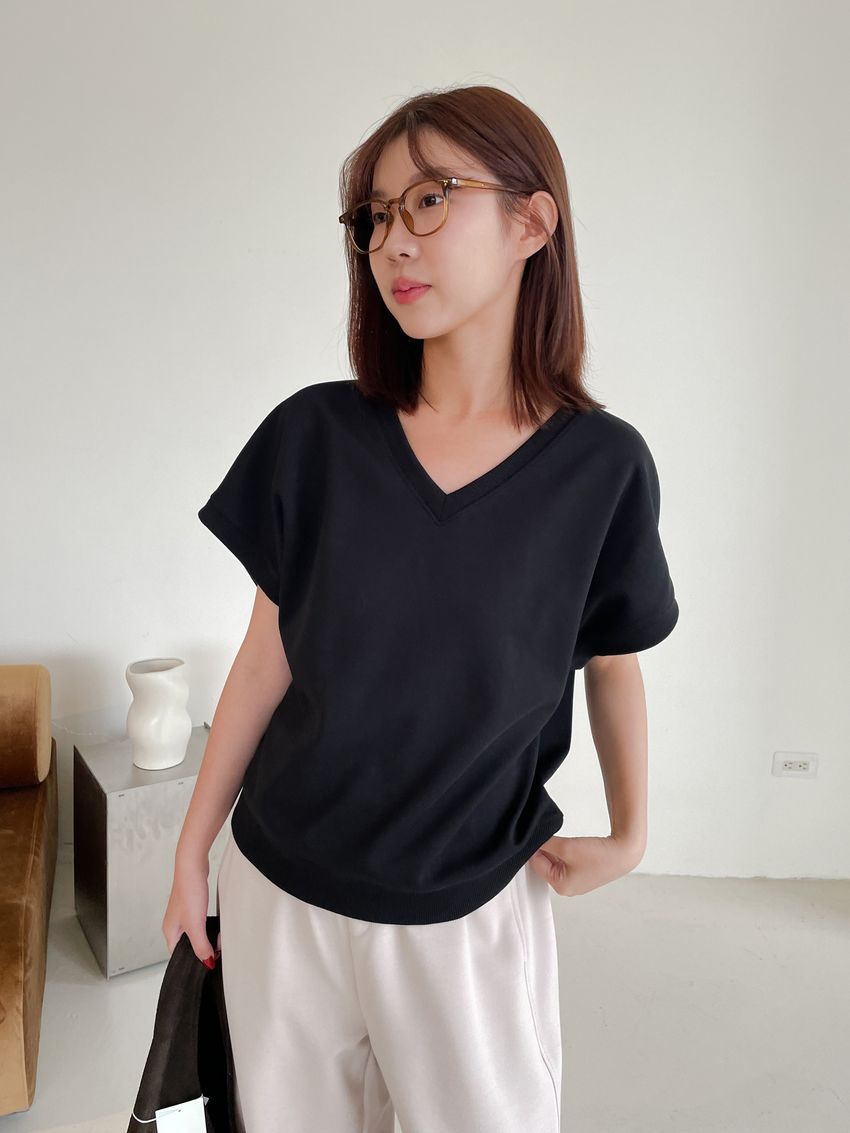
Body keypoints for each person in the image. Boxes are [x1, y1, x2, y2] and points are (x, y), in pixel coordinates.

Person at [162, 83, 680, 1133]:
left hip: (468, 905)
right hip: (282, 891)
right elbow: (265, 655)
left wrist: (629, 833)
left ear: (533, 223)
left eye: (431, 199)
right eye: (374, 216)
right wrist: (190, 847)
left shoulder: (601, 468)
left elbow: (611, 658)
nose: (393, 241)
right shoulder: (314, 438)